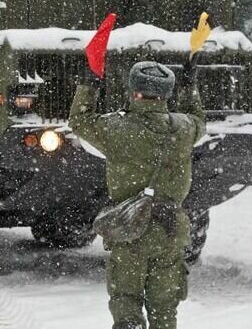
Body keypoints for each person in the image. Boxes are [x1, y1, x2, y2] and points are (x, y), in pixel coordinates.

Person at [69, 60, 206, 329]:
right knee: (164, 307)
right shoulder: (184, 128)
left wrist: (89, 82)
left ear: (133, 91)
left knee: (126, 301)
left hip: (130, 227)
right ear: (166, 94)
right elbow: (199, 119)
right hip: (170, 230)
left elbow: (79, 120)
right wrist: (190, 86)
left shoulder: (116, 129)